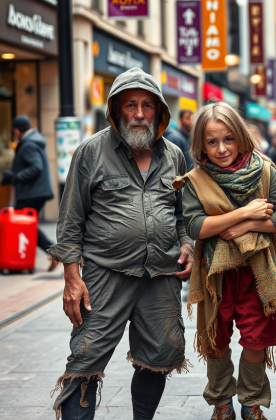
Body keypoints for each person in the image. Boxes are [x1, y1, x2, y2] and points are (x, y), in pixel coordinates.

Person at [48, 68, 194, 419]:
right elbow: (70, 220)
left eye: (147, 105)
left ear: (159, 111)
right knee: (85, 358)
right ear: (116, 109)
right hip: (103, 275)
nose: (140, 113)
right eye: (131, 105)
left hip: (160, 275)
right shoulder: (91, 152)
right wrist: (71, 278)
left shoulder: (174, 155)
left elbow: (181, 213)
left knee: (159, 354)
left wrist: (187, 243)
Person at [175, 102, 276, 420]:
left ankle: (251, 401)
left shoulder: (264, 169)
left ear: (241, 136)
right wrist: (246, 211)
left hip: (257, 272)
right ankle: (221, 401)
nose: (221, 148)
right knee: (216, 338)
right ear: (201, 143)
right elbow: (196, 226)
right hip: (214, 273)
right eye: (212, 141)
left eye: (228, 139)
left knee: (256, 337)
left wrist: (246, 226)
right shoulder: (197, 180)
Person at [1, 115, 56, 271]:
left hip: (32, 192)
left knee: (25, 225)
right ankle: (50, 252)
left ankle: (54, 252)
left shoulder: (28, 145)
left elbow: (36, 167)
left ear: (17, 130)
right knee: (28, 225)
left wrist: (15, 176)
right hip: (37, 192)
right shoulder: (34, 141)